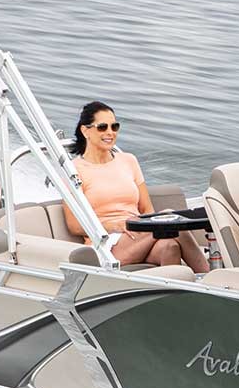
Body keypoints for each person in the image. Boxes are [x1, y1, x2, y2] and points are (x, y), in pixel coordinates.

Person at [65, 101, 207, 271]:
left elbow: (147, 210)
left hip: (138, 232)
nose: (110, 133)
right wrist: (115, 226)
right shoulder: (73, 170)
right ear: (85, 130)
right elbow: (74, 226)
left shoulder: (128, 160)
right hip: (107, 243)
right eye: (102, 127)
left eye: (114, 127)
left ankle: (177, 294)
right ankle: (209, 277)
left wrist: (144, 228)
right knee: (170, 218)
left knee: (170, 246)